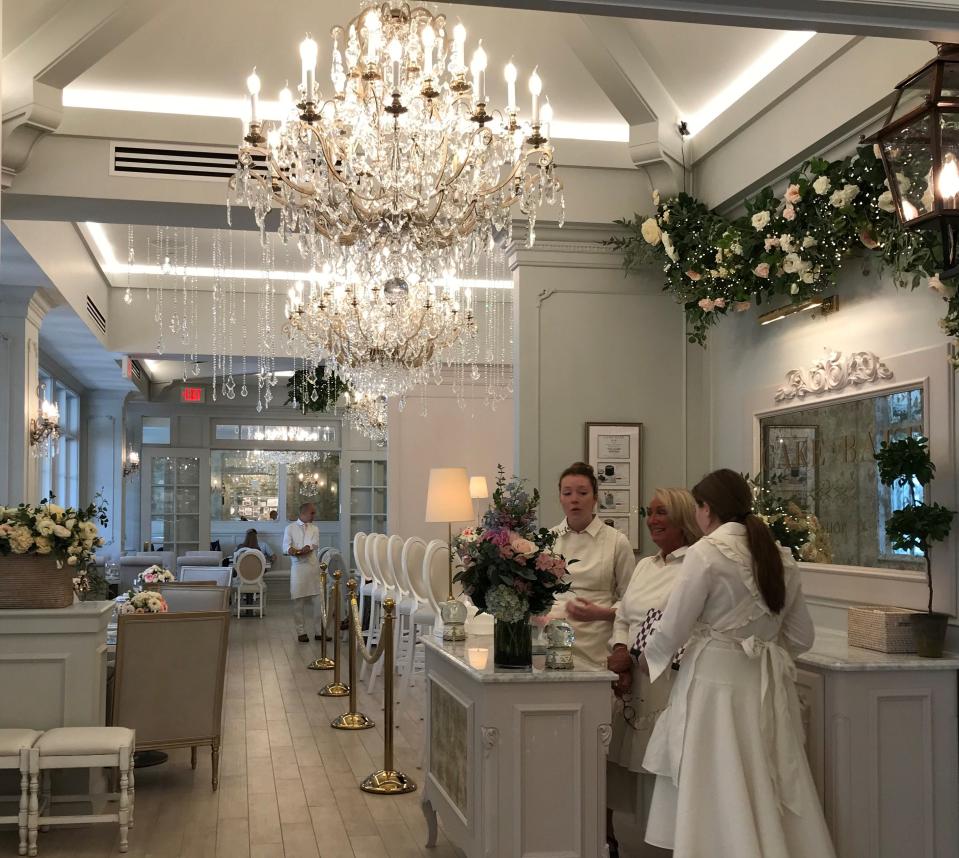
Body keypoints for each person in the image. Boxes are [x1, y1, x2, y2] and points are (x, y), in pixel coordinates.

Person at [638, 469, 836, 858]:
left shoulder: (706, 553)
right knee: (764, 775)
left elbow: (674, 625)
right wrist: (761, 648)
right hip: (764, 682)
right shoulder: (779, 555)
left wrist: (649, 659)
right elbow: (801, 638)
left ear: (706, 509)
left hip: (713, 683)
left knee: (715, 779)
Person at [605, 488, 702, 858]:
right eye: (650, 512)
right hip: (631, 679)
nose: (653, 520)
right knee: (618, 764)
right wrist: (618, 650)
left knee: (659, 767)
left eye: (662, 513)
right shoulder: (645, 564)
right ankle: (615, 840)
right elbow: (623, 615)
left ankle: (665, 845)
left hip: (668, 679)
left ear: (682, 518)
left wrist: (634, 659)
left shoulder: (694, 564)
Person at [551, 462, 634, 670]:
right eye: (567, 493)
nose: (575, 500)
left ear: (595, 498)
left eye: (582, 492)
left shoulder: (617, 541)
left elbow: (632, 601)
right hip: (552, 641)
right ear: (560, 498)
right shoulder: (547, 540)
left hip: (598, 644)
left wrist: (600, 613)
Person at [282, 502, 326, 643]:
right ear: (304, 513)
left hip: (313, 567)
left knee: (318, 601)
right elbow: (285, 546)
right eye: (312, 513)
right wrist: (292, 551)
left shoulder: (315, 529)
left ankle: (319, 631)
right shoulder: (290, 528)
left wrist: (307, 548)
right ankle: (301, 632)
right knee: (298, 602)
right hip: (298, 568)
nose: (314, 515)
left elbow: (314, 544)